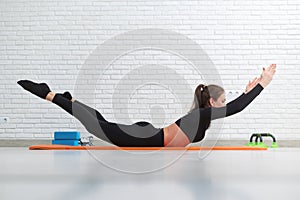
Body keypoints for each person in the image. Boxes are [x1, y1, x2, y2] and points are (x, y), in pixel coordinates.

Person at [17, 64, 276, 147]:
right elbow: (239, 107)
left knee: (102, 125)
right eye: (222, 102)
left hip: (149, 135)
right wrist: (263, 84)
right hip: (147, 136)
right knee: (98, 126)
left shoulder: (202, 115)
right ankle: (50, 95)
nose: (225, 106)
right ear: (211, 102)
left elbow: (237, 104)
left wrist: (247, 91)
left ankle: (69, 99)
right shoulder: (204, 115)